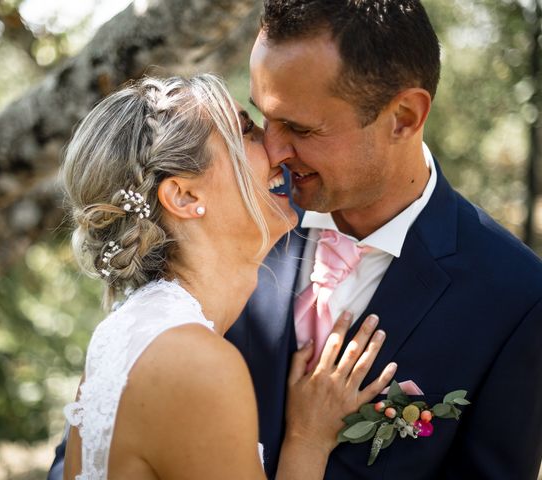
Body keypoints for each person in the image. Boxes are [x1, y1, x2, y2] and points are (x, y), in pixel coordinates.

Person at [224, 0, 542, 479]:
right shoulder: (228, 220)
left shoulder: (516, 297)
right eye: (265, 117)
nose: (272, 149)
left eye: (300, 128)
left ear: (405, 117)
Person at [57, 74, 397, 479]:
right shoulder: (196, 363)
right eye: (246, 132)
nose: (275, 149)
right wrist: (307, 438)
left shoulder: (126, 334)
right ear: (184, 197)